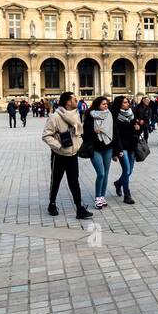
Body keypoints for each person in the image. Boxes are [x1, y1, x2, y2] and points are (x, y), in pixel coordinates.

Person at [42, 91, 91, 219]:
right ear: (68, 102)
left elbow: (79, 132)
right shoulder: (55, 117)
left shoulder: (76, 114)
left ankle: (79, 208)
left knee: (74, 182)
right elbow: (46, 135)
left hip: (73, 154)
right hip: (59, 155)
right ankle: (52, 204)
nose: (77, 101)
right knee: (56, 181)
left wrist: (78, 144)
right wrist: (58, 146)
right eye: (75, 99)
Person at [83, 95, 113, 209]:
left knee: (106, 174)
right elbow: (85, 133)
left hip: (107, 147)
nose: (106, 106)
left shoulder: (109, 115)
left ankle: (102, 196)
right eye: (103, 104)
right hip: (95, 148)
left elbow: (114, 131)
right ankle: (97, 197)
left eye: (106, 104)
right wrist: (94, 131)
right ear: (97, 105)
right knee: (101, 173)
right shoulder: (90, 116)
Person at [111, 95, 140, 205]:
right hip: (121, 147)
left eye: (127, 102)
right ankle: (127, 194)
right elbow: (115, 135)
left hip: (131, 145)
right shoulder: (115, 116)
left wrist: (138, 128)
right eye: (124, 102)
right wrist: (115, 152)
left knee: (130, 171)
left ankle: (118, 183)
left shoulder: (131, 114)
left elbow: (136, 130)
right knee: (126, 170)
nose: (127, 104)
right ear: (119, 104)